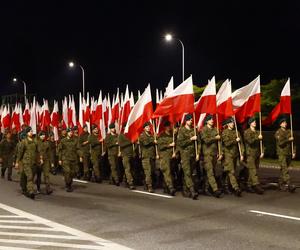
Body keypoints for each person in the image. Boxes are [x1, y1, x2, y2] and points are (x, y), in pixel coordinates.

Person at [177, 114, 200, 199]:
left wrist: (198, 153)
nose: (191, 121)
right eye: (189, 120)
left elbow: (199, 142)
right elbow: (181, 143)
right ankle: (192, 190)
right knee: (187, 173)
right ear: (186, 121)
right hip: (185, 155)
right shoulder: (182, 130)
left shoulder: (194, 130)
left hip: (193, 154)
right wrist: (191, 139)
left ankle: (185, 189)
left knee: (190, 173)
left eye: (191, 120)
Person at [15, 127, 41, 199]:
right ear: (27, 133)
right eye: (30, 131)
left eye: (32, 131)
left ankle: (24, 188)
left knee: (27, 176)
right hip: (26, 162)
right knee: (30, 176)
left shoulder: (35, 141)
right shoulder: (24, 142)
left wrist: (40, 159)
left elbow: (38, 152)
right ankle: (31, 191)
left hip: (33, 163)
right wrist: (17, 162)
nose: (31, 132)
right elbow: (20, 153)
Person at [200, 114, 222, 198]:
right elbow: (206, 140)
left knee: (209, 172)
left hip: (214, 154)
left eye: (212, 119)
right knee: (210, 172)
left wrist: (220, 153)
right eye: (210, 119)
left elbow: (219, 143)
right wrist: (215, 137)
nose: (212, 121)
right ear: (206, 121)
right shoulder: (204, 130)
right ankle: (215, 189)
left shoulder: (215, 129)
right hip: (207, 155)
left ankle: (205, 188)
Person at [221, 117, 244, 197]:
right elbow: (227, 143)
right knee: (231, 172)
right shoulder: (225, 132)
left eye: (233, 123)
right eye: (231, 123)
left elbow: (241, 144)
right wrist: (235, 140)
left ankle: (225, 185)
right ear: (227, 124)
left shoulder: (237, 132)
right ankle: (236, 188)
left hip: (235, 155)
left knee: (230, 171)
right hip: (228, 155)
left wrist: (241, 154)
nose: (232, 124)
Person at [275, 116, 296, 192]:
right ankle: (289, 184)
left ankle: (280, 184)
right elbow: (280, 143)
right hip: (281, 153)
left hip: (288, 153)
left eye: (286, 122)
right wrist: (288, 139)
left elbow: (293, 143)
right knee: (284, 169)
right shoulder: (278, 132)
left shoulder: (289, 131)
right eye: (283, 123)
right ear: (280, 124)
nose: (285, 124)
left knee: (283, 169)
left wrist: (293, 152)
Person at [243, 117, 264, 194]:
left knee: (252, 170)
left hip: (257, 154)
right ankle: (256, 185)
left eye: (255, 121)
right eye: (253, 121)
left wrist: (262, 151)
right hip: (250, 154)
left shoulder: (258, 132)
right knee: (253, 170)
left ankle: (248, 185)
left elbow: (261, 143)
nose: (255, 122)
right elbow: (250, 141)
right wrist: (257, 138)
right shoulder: (247, 132)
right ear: (250, 123)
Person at [58, 127, 82, 192]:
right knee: (67, 171)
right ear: (67, 133)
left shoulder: (75, 140)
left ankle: (69, 183)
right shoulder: (63, 141)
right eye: (69, 132)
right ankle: (68, 185)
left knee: (72, 172)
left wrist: (80, 156)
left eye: (71, 132)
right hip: (65, 158)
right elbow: (59, 150)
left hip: (73, 159)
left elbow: (78, 149)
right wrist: (59, 159)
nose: (70, 133)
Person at [157, 120, 176, 196]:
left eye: (170, 126)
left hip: (172, 156)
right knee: (167, 172)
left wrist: (175, 152)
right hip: (164, 156)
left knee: (170, 172)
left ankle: (166, 187)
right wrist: (169, 145)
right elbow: (160, 146)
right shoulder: (162, 135)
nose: (169, 127)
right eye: (168, 126)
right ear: (165, 127)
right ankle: (171, 188)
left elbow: (177, 144)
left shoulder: (173, 135)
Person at [139, 121, 156, 193]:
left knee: (151, 171)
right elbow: (146, 143)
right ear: (144, 128)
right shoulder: (142, 135)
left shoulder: (151, 135)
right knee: (148, 172)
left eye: (149, 127)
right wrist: (153, 140)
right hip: (145, 157)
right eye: (147, 127)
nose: (148, 128)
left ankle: (146, 182)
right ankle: (149, 186)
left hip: (151, 156)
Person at [118, 125, 136, 190]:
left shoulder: (131, 135)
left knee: (131, 169)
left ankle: (126, 180)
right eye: (126, 127)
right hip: (125, 155)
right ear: (123, 128)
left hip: (131, 155)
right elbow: (120, 144)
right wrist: (130, 142)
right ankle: (130, 183)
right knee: (127, 169)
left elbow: (134, 144)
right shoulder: (121, 135)